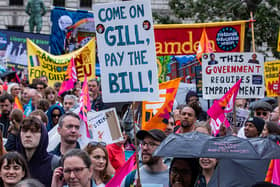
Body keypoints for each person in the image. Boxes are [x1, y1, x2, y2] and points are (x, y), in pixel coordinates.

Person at [16, 116, 57, 187]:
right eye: (24, 131)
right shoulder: (14, 163)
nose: (28, 135)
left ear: (42, 135)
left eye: (33, 131)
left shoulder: (54, 163)